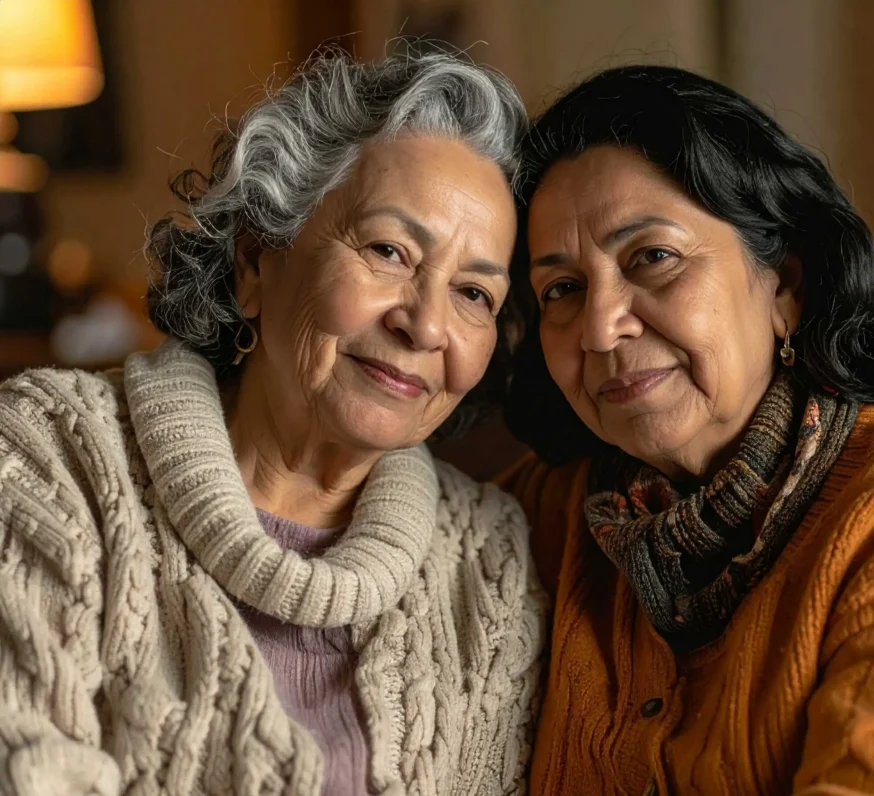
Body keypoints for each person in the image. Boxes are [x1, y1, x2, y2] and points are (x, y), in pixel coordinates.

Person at [0, 50, 546, 796]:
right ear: (256, 261)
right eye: (388, 251)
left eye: (474, 295)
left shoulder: (488, 559)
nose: (425, 325)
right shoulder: (49, 458)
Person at [502, 64, 874, 796]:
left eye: (652, 257)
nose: (598, 327)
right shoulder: (538, 516)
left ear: (785, 285)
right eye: (562, 288)